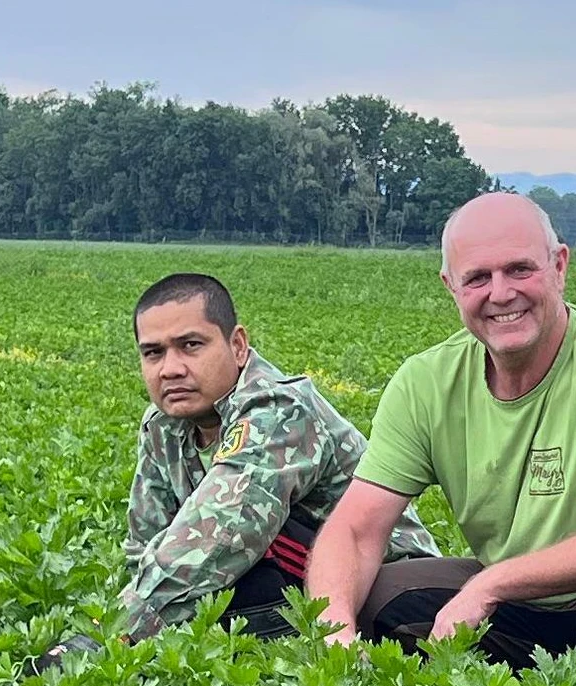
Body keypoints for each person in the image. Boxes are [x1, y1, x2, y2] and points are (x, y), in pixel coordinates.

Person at [307, 192, 576, 672]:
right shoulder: (426, 383)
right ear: (450, 287)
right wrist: (336, 635)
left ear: (559, 266)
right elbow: (354, 530)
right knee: (376, 595)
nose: (500, 293)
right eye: (477, 277)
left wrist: (491, 583)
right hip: (522, 605)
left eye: (520, 269)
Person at [119, 272, 436, 641]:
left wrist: (114, 633)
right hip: (305, 587)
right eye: (153, 353)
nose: (170, 368)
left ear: (237, 345)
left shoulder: (279, 409)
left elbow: (223, 531)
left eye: (191, 345)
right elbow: (145, 543)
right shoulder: (163, 426)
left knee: (237, 556)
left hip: (390, 592)